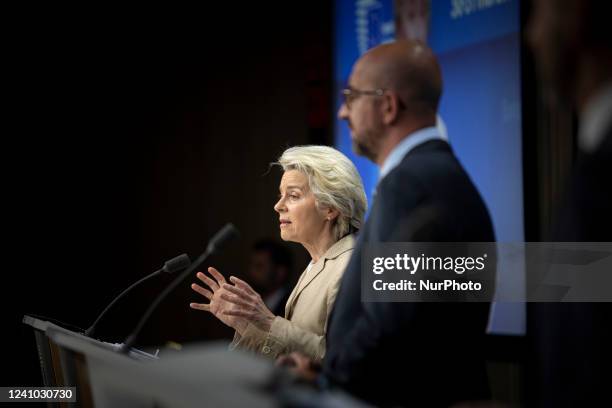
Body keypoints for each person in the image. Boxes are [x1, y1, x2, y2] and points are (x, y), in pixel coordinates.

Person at [280, 40, 495, 407]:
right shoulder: (438, 175)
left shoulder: (411, 184)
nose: (342, 113)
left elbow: (389, 323)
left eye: (352, 97)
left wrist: (328, 381)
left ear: (388, 106)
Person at [189, 145, 367, 362]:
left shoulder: (355, 267)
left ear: (330, 208)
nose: (278, 206)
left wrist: (270, 323)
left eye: (293, 195)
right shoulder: (318, 264)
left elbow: (348, 360)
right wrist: (248, 325)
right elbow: (297, 349)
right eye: (280, 196)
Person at [527, 1, 612, 406]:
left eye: (539, 15)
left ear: (576, 14)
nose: (532, 36)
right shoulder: (591, 156)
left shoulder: (604, 169)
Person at [246, 239, 294, 317]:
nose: (251, 271)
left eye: (259, 266)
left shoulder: (291, 308)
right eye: (251, 264)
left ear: (280, 273)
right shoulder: (249, 304)